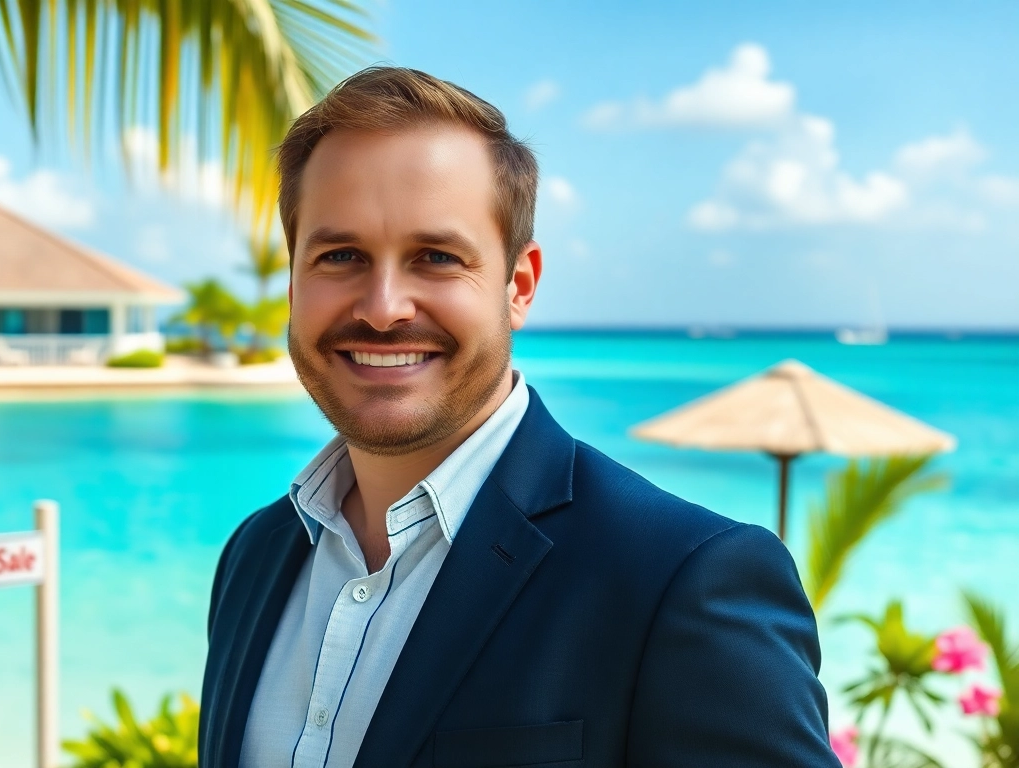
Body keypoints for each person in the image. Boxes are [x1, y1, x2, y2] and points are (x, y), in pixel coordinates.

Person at [199, 66, 839, 768]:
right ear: (294, 283)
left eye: (436, 257)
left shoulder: (679, 580)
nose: (383, 307)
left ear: (519, 287)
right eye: (341, 255)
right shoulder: (254, 557)